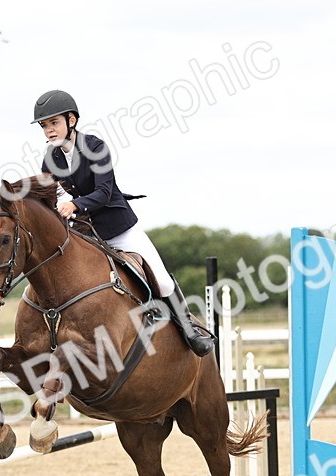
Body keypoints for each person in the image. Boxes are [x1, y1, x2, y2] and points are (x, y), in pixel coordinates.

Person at [30, 89, 215, 357]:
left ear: (72, 121)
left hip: (118, 228)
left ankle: (189, 330)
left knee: (161, 281)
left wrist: (75, 204)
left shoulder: (95, 147)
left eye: (54, 123)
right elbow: (54, 193)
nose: (48, 131)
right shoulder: (51, 157)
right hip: (85, 235)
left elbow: (104, 192)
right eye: (45, 126)